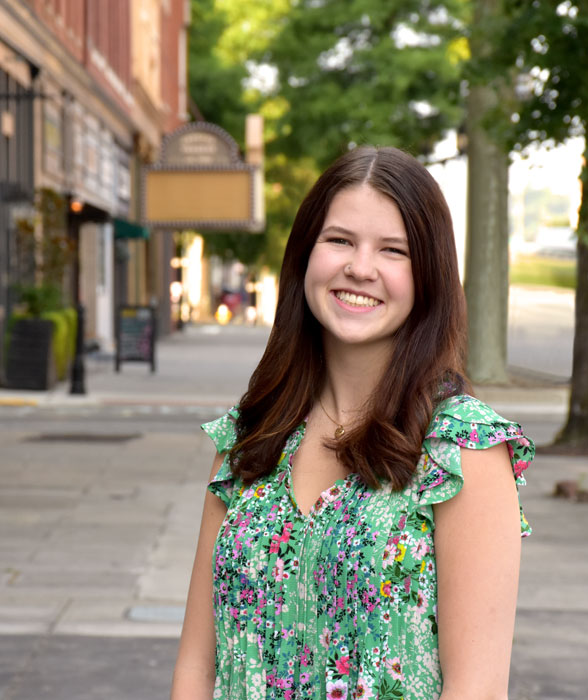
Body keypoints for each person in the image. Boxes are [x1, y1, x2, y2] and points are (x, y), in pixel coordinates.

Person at [171, 146, 534, 700]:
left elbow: (477, 690)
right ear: (304, 256)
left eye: (394, 250)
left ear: (429, 276)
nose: (360, 268)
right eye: (339, 240)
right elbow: (197, 668)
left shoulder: (463, 452)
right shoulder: (248, 438)